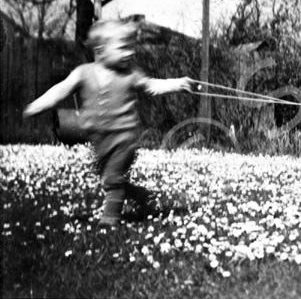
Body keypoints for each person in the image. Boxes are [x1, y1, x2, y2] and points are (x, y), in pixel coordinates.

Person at [23, 19, 194, 227]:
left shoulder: (131, 75)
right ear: (101, 50)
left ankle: (109, 220)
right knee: (109, 179)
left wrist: (177, 84)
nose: (129, 52)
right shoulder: (83, 73)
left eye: (131, 47)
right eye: (123, 47)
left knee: (113, 178)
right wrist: (37, 105)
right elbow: (60, 90)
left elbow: (152, 86)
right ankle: (141, 196)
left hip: (124, 137)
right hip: (99, 139)